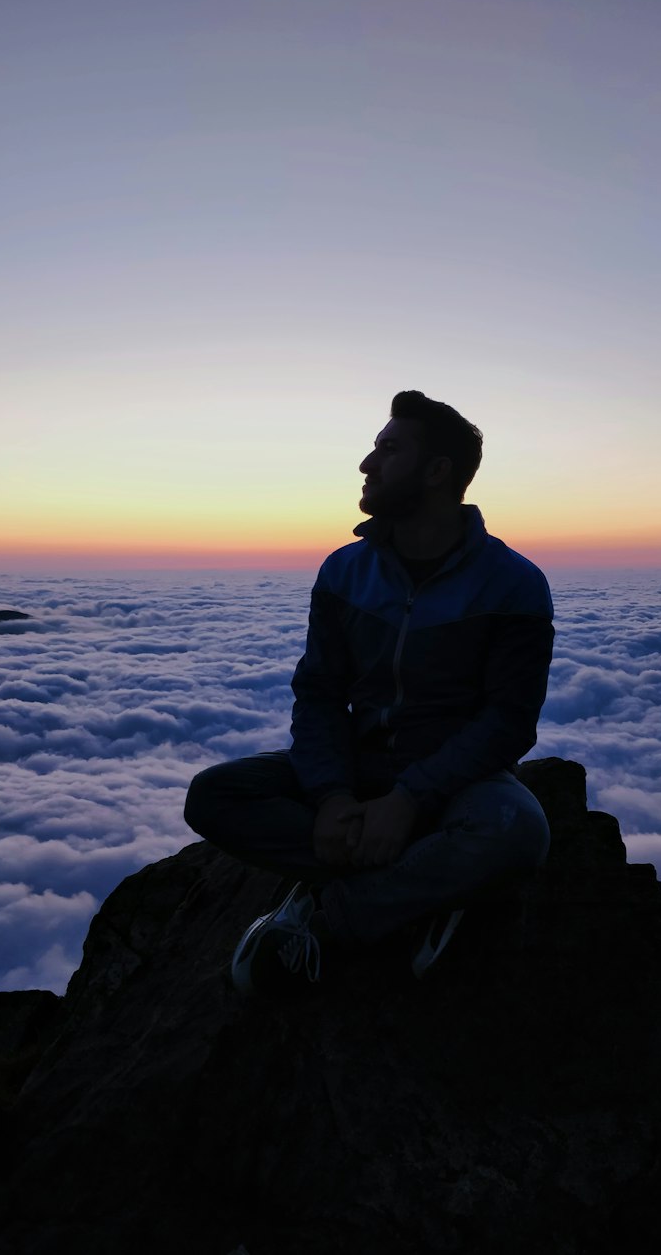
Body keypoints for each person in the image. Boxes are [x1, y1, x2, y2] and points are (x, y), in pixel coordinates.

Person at [183, 389, 554, 994]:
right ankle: (421, 888)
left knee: (517, 831)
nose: (366, 464)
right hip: (358, 764)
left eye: (388, 449)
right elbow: (321, 694)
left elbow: (509, 722)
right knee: (212, 796)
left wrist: (409, 798)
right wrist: (331, 796)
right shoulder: (343, 571)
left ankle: (327, 920)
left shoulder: (512, 584)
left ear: (437, 472)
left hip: (456, 779)